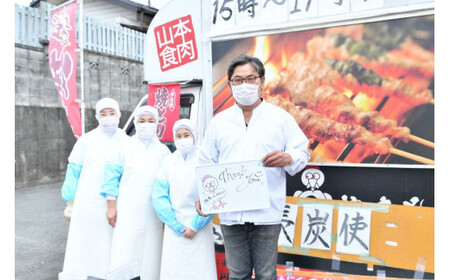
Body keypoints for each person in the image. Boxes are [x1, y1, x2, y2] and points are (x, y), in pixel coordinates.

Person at [196, 54, 310, 280]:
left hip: (267, 212)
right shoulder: (219, 122)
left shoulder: (280, 118)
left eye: (250, 78)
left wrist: (288, 157)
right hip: (231, 213)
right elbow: (206, 160)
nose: (244, 85)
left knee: (266, 274)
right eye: (238, 80)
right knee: (238, 274)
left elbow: (303, 150)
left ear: (262, 82)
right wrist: (204, 193)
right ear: (229, 85)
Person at [59, 97, 129, 280]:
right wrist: (70, 201)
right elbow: (74, 170)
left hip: (116, 202)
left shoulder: (126, 140)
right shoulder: (87, 140)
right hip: (88, 202)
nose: (108, 117)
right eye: (103, 114)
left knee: (111, 245)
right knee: (87, 247)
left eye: (112, 113)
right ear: (97, 116)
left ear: (119, 114)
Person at [100, 105, 171, 280]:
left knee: (151, 251)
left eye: (150, 121)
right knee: (126, 249)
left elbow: (169, 184)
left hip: (154, 212)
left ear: (157, 123)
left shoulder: (163, 151)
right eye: (141, 121)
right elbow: (111, 178)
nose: (146, 124)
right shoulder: (124, 146)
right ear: (135, 123)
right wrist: (111, 207)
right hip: (127, 209)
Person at [152, 119, 217, 280]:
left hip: (200, 229)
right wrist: (174, 223)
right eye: (179, 136)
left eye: (186, 135)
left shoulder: (205, 160)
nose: (182, 139)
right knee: (174, 272)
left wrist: (195, 225)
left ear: (195, 136)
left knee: (200, 271)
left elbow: (213, 195)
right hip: (175, 230)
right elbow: (159, 196)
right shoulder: (168, 162)